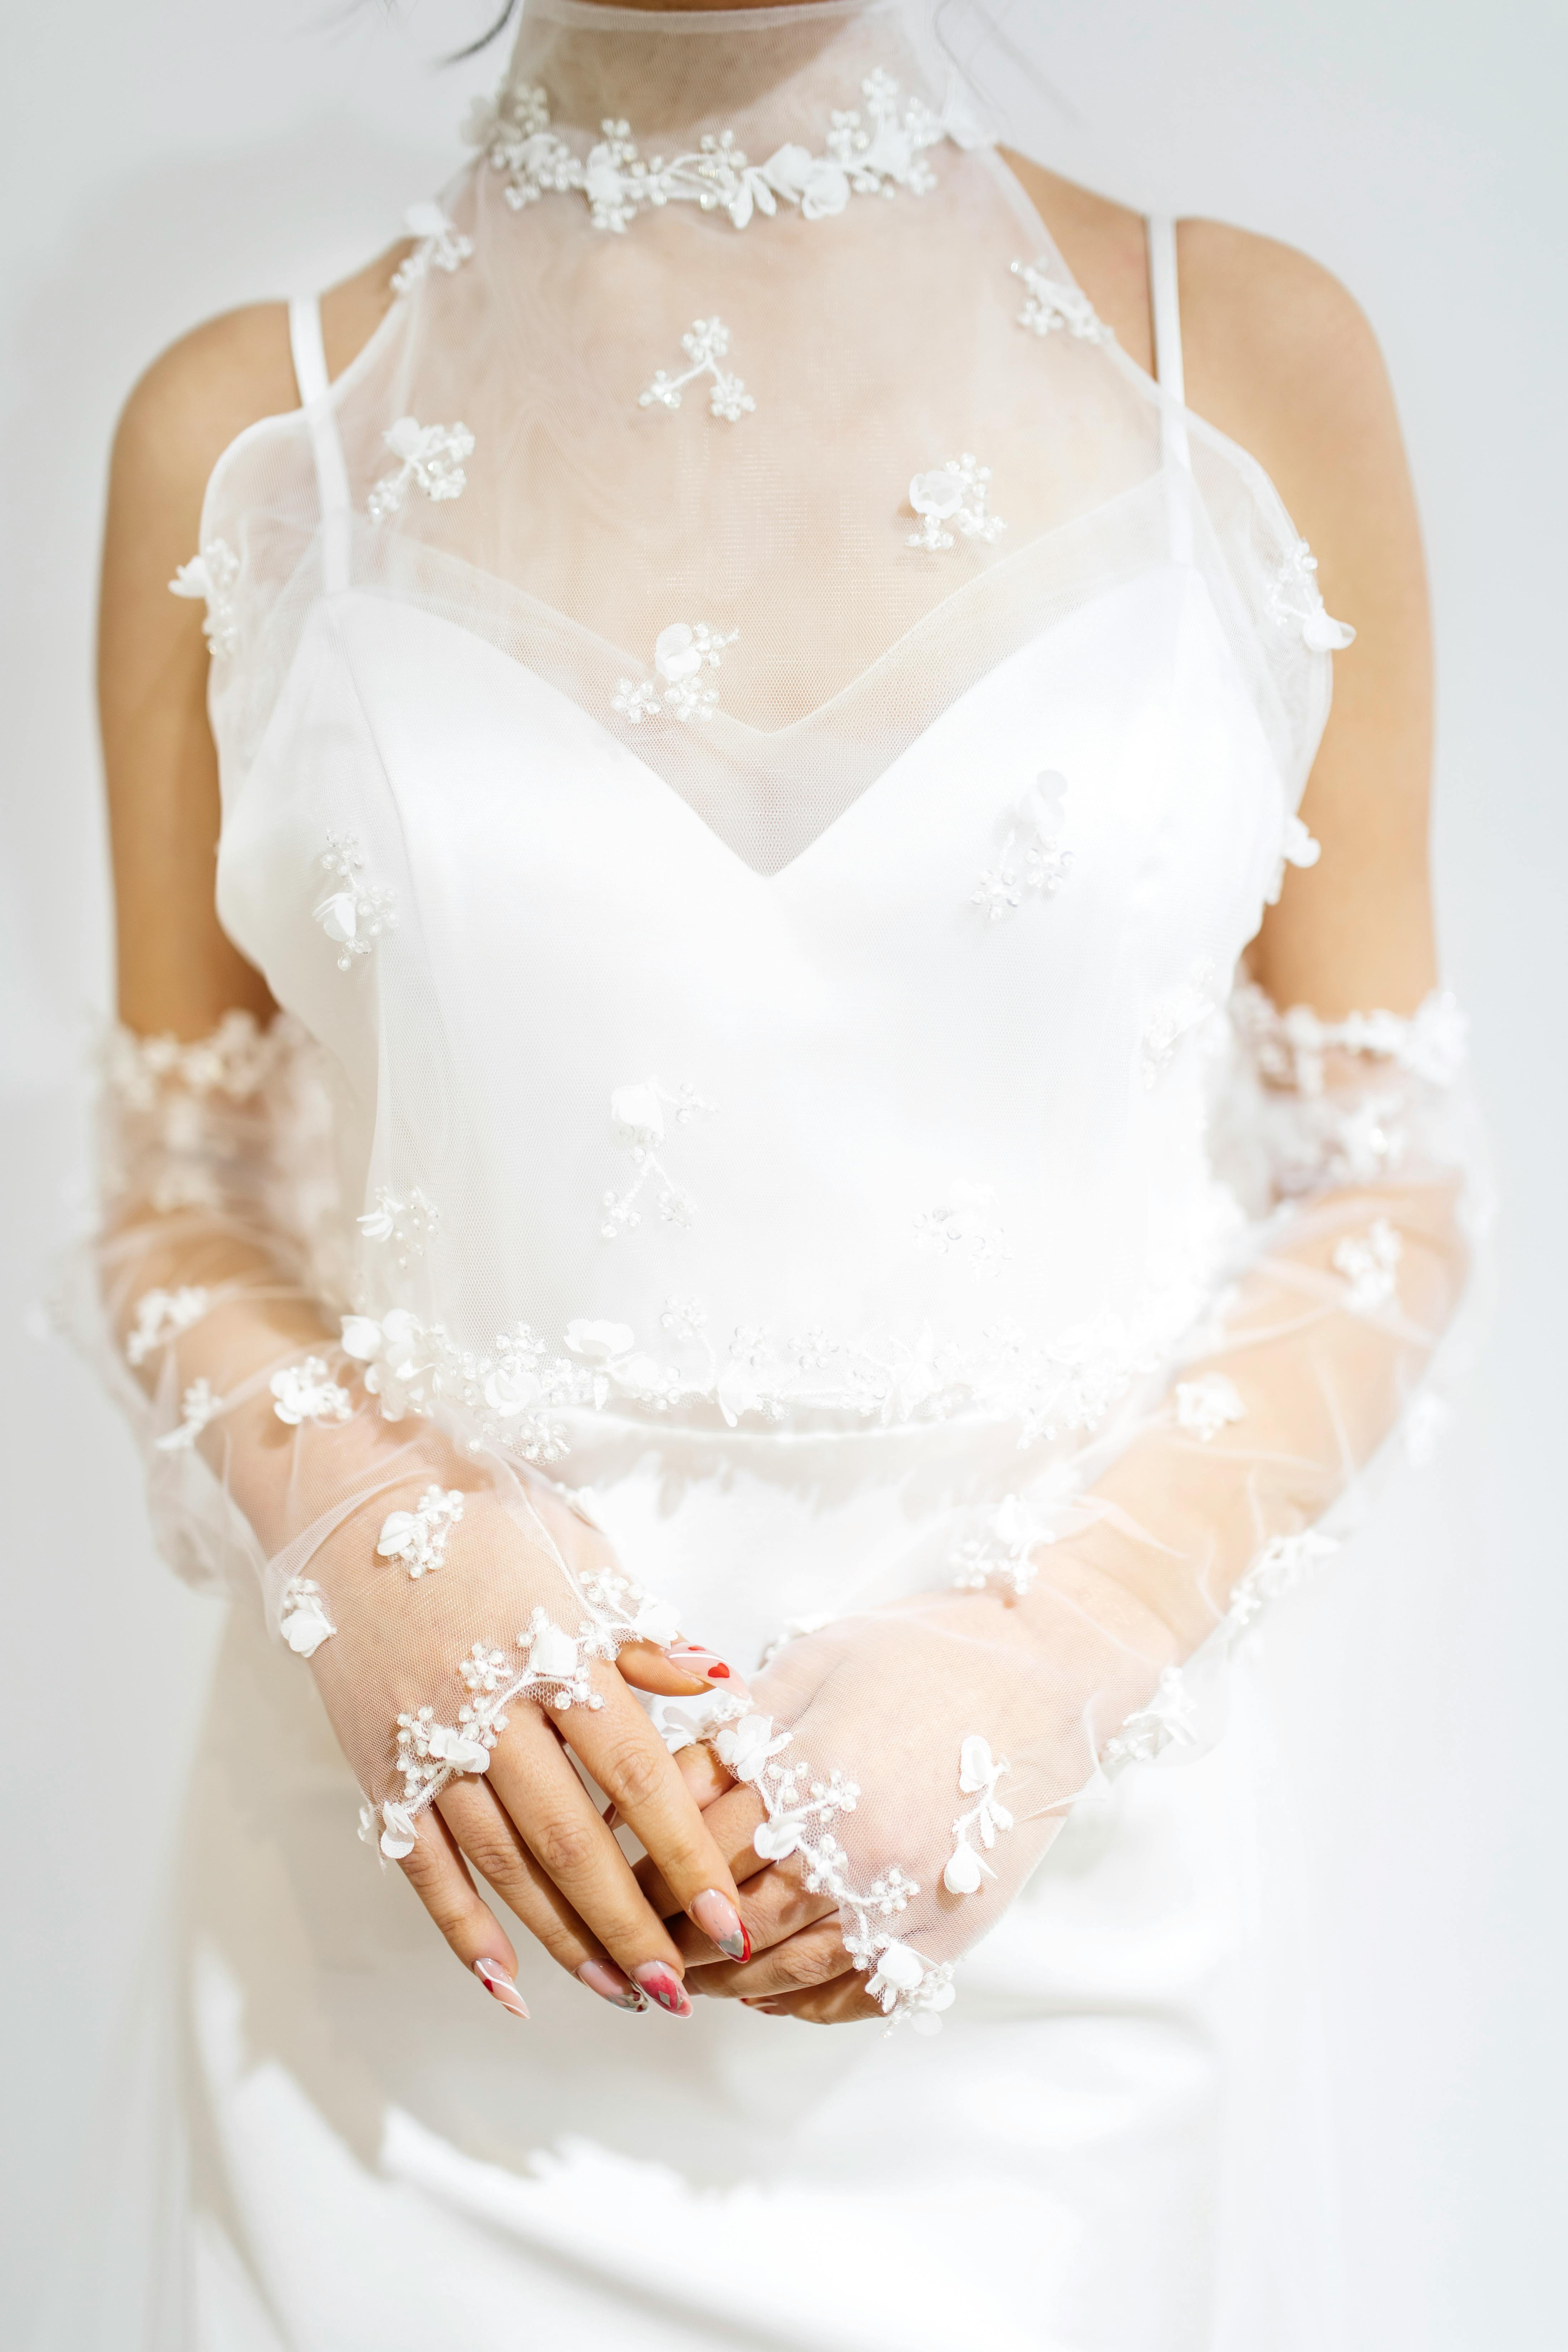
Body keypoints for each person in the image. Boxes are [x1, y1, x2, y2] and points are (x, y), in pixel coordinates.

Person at [64, 0, 1480, 2342]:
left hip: (1057, 1957)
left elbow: (1382, 1162)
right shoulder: (245, 434)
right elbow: (173, 1167)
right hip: (427, 1964)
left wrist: (1058, 1647)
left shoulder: (1231, 362)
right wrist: (367, 1540)